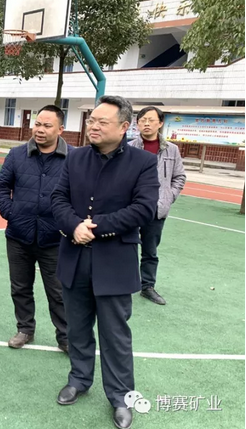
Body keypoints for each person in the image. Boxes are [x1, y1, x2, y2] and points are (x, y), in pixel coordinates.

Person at [51, 96, 159, 429]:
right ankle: (79, 379)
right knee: (77, 327)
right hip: (75, 257)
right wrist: (74, 226)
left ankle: (121, 396)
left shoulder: (143, 162)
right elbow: (58, 199)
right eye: (91, 120)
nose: (93, 126)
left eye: (102, 122)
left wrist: (95, 228)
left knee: (115, 334)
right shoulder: (75, 157)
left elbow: (144, 209)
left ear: (124, 126)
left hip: (114, 262)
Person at [0, 105, 71, 352]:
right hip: (19, 235)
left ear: (60, 129)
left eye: (47, 125)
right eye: (37, 124)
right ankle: (25, 328)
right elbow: (1, 187)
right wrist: (11, 213)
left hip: (55, 238)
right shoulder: (16, 155)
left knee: (58, 291)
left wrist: (67, 222)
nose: (40, 129)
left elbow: (81, 193)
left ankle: (66, 336)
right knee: (20, 287)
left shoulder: (74, 158)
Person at [128, 107, 186, 305]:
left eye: (151, 120)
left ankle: (147, 287)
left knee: (150, 251)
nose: (146, 123)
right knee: (125, 246)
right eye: (142, 120)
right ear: (137, 123)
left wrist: (168, 197)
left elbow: (179, 177)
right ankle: (123, 283)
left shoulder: (172, 149)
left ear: (160, 123)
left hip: (156, 208)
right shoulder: (129, 147)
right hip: (131, 207)